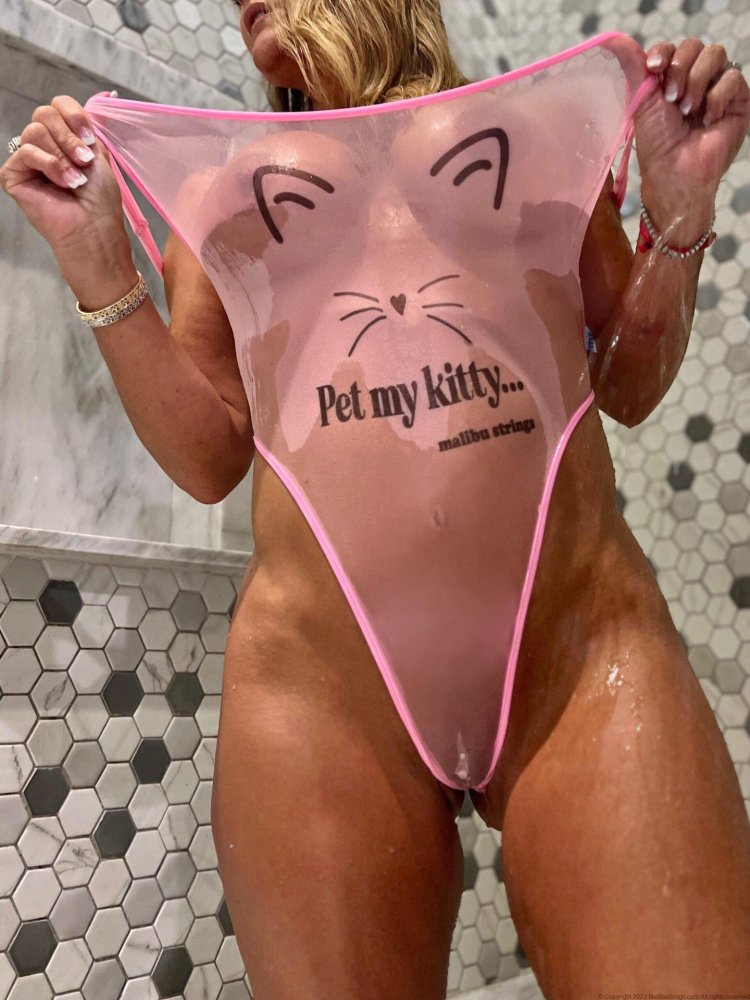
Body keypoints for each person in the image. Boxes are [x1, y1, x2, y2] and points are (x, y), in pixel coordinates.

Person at [2, 1, 749, 996]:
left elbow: (628, 384)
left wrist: (680, 212)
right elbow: (210, 458)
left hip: (583, 652)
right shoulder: (219, 183)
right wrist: (97, 264)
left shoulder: (536, 129)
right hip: (321, 690)